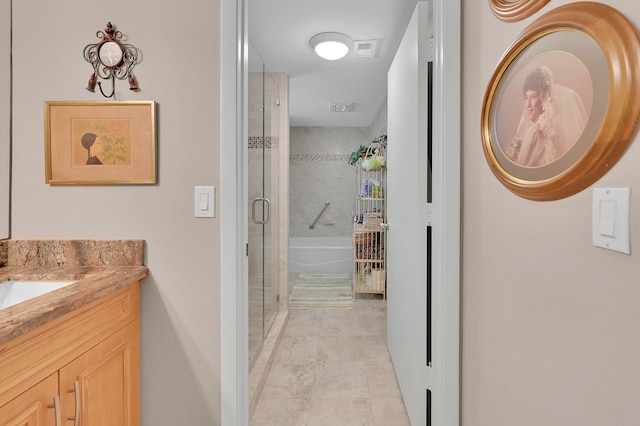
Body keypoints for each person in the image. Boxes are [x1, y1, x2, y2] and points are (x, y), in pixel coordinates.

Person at [505, 66, 588, 167]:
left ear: (543, 98)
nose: (528, 104)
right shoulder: (548, 129)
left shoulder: (537, 132)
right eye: (526, 97)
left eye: (533, 97)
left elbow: (523, 170)